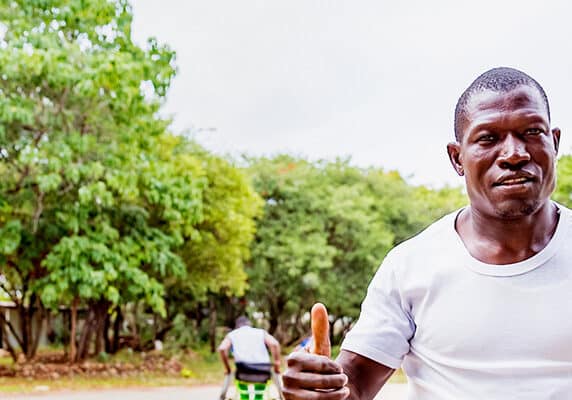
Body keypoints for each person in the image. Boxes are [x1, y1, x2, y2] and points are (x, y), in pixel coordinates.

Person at [283, 67, 572, 399]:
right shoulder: (410, 266)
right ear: (457, 157)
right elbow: (356, 383)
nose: (513, 154)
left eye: (531, 131)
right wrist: (318, 388)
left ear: (554, 142)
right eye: (488, 138)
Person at [218, 316, 282, 400]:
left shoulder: (232, 334)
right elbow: (274, 344)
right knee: (276, 373)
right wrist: (277, 363)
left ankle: (226, 397)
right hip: (263, 372)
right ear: (249, 324)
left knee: (229, 373)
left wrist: (228, 368)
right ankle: (281, 396)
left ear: (237, 326)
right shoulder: (260, 332)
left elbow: (222, 348)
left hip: (243, 372)